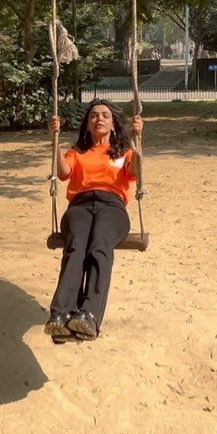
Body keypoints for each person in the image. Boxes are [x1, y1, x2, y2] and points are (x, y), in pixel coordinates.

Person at [46, 100, 144, 343]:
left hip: (112, 207)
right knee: (77, 246)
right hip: (79, 206)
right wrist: (54, 141)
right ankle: (61, 314)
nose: (99, 119)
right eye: (93, 116)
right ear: (87, 125)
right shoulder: (77, 151)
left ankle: (89, 314)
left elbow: (136, 172)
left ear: (112, 125)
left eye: (104, 116)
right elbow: (62, 173)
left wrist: (137, 139)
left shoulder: (123, 152)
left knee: (99, 245)